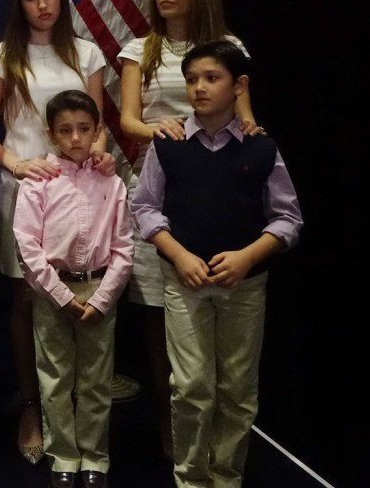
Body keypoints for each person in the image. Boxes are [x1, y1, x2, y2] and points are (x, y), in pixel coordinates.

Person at [130, 40, 303, 488]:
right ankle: (190, 478)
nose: (200, 88)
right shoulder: (168, 144)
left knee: (237, 390)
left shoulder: (260, 148)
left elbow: (288, 217)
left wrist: (249, 256)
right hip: (183, 282)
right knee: (190, 387)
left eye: (212, 78)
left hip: (243, 288)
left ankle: (227, 477)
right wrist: (178, 253)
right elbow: (145, 207)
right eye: (192, 80)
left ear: (238, 85)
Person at [117, 0, 260, 459]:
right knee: (161, 314)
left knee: (220, 308)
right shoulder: (140, 48)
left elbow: (245, 119)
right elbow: (129, 120)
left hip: (218, 192)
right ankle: (171, 423)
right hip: (158, 189)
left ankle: (220, 439)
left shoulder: (229, 48)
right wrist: (163, 130)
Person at [0, 0, 118, 465]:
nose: (42, 5)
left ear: (62, 0)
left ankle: (80, 417)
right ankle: (32, 407)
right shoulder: (0, 57)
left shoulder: (85, 52)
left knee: (85, 292)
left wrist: (100, 149)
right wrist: (17, 164)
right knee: (26, 299)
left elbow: (98, 124)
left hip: (81, 192)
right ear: (20, 4)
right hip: (24, 189)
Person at [13, 90, 133, 488]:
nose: (76, 138)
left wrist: (101, 299)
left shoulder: (111, 182)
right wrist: (61, 297)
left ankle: (95, 456)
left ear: (98, 130)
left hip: (99, 288)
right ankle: (63, 453)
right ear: (50, 134)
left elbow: (123, 247)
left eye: (84, 129)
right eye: (65, 130)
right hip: (52, 292)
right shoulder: (39, 182)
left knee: (97, 380)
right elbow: (27, 245)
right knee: (55, 377)